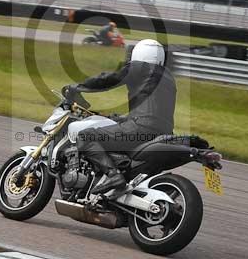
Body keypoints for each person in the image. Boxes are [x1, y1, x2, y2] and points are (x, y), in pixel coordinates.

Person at [66, 39, 176, 194]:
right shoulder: (169, 77)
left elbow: (107, 79)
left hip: (141, 130)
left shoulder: (140, 67)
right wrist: (117, 118)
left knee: (85, 136)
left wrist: (78, 86)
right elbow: (152, 112)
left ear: (138, 53)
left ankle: (113, 175)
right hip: (164, 133)